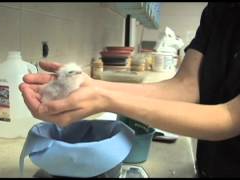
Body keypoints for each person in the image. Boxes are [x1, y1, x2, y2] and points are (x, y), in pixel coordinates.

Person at [19, 3, 240, 178]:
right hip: (209, 166)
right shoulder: (219, 10)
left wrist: (104, 98)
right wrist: (92, 86)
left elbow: (230, 117)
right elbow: (186, 86)